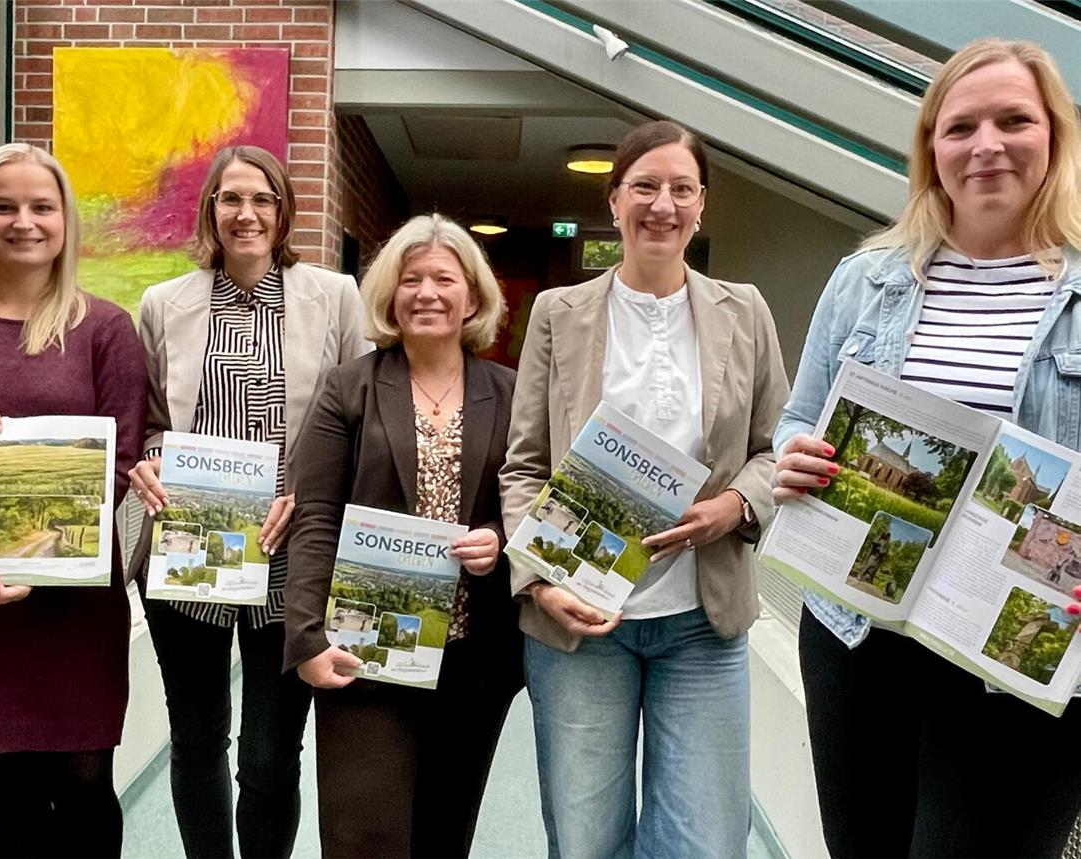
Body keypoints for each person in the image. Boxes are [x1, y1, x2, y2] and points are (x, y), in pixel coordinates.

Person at [773, 38, 1081, 857]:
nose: (986, 145)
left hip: (1014, 646)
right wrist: (794, 456)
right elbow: (798, 417)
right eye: (961, 126)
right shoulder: (866, 278)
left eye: (1014, 120)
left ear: (1053, 134)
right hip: (856, 633)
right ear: (931, 148)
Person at [500, 120, 790, 859]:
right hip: (582, 621)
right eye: (646, 187)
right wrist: (536, 581)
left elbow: (774, 449)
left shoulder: (745, 310)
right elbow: (524, 466)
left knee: (705, 842)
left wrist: (736, 505)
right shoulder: (558, 315)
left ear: (702, 205)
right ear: (615, 199)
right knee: (586, 839)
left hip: (702, 619)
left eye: (682, 189)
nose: (663, 204)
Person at [126, 145, 370, 858]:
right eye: (230, 199)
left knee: (268, 754)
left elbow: (361, 415)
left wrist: (310, 490)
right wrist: (144, 463)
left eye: (262, 199)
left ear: (284, 209)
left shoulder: (334, 297)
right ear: (211, 209)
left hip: (289, 559)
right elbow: (143, 422)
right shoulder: (163, 303)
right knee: (196, 740)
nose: (246, 213)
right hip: (188, 554)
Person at [283, 213, 522, 858]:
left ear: (473, 296)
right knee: (366, 833)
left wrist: (499, 539)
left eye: (445, 279)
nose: (427, 293)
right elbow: (315, 518)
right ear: (389, 294)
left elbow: (530, 497)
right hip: (368, 647)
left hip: (474, 656)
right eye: (411, 279)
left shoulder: (511, 391)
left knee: (446, 833)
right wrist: (306, 638)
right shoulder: (348, 387)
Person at [0, 143, 147, 857]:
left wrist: (41, 561)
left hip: (70, 598)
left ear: (65, 220)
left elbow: (118, 460)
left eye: (41, 206)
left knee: (84, 787)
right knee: (9, 795)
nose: (23, 221)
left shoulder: (105, 328)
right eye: (3, 206)